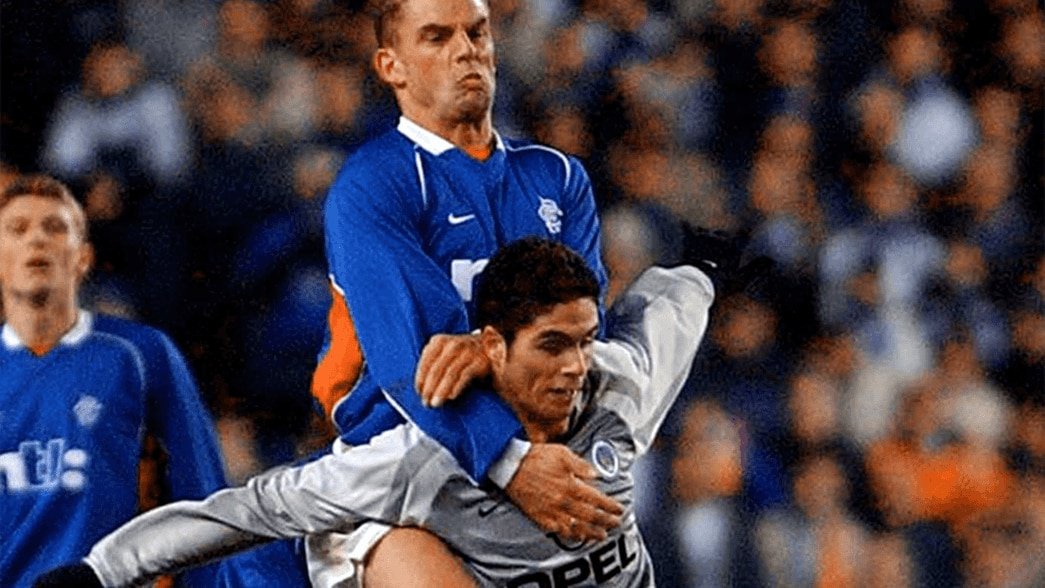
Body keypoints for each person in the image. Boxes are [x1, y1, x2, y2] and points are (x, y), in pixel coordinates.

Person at [34, 236, 720, 587]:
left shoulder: (615, 392)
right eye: (551, 346)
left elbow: (668, 318)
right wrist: (104, 569)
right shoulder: (421, 461)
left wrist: (703, 267)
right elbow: (250, 512)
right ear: (493, 348)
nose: (574, 365)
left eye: (583, 341)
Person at [310, 0, 614, 548]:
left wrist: (483, 347)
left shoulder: (559, 176)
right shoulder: (373, 185)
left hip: (544, 446)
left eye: (477, 33)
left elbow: (586, 330)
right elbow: (416, 363)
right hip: (400, 464)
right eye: (435, 37)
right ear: (390, 66)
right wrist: (509, 462)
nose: (466, 51)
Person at [0, 174, 227, 587]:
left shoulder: (140, 354)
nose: (37, 240)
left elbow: (204, 498)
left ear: (83, 257)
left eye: (55, 227)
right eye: (17, 229)